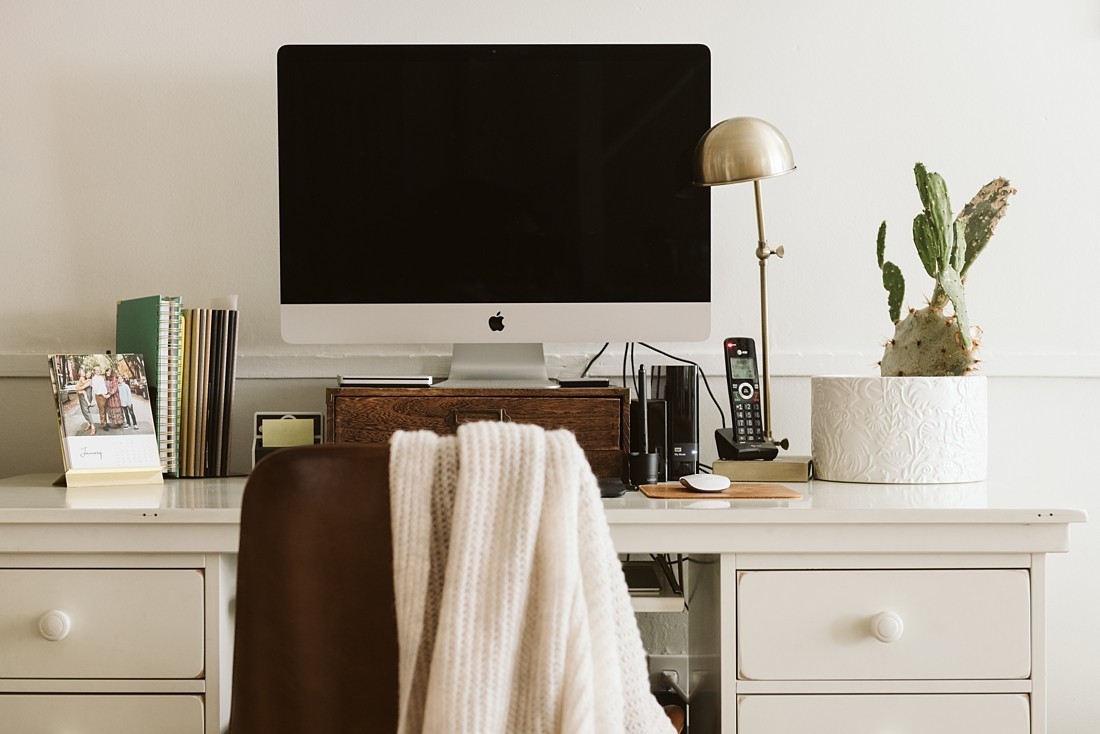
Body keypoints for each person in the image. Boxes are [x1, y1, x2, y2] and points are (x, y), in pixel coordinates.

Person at [74, 368, 96, 435]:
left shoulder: (89, 381)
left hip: (86, 397)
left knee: (86, 411)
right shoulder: (84, 379)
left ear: (91, 375)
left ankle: (93, 427)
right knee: (83, 411)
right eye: (87, 373)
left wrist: (77, 388)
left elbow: (82, 388)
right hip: (81, 396)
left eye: (89, 374)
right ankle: (89, 423)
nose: (88, 375)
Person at [91, 366, 109, 432]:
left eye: (99, 370)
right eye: (97, 370)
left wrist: (106, 394)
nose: (98, 371)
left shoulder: (101, 377)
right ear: (94, 371)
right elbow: (96, 390)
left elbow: (103, 387)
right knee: (102, 410)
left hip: (104, 395)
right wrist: (103, 394)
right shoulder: (94, 379)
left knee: (104, 410)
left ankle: (105, 422)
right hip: (100, 396)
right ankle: (103, 424)